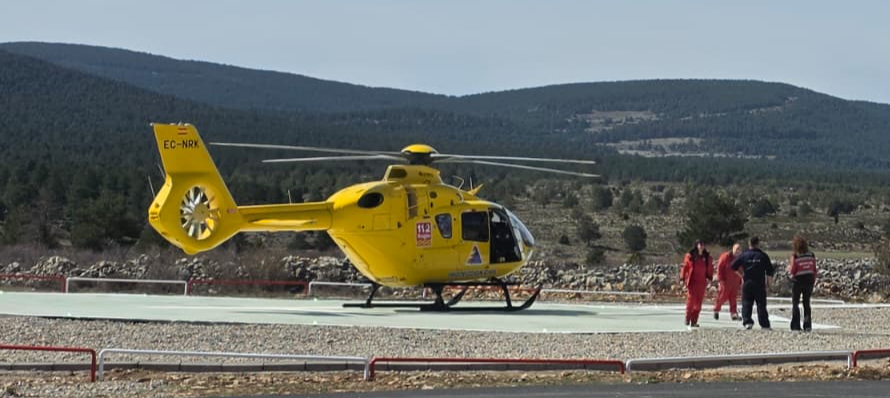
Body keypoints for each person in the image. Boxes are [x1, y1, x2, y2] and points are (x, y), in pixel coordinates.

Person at [731, 237, 775, 330]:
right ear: (758, 244)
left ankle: (747, 322)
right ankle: (764, 324)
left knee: (747, 302)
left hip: (747, 282)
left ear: (749, 244)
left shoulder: (744, 255)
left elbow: (733, 266)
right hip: (759, 283)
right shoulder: (763, 256)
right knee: (761, 304)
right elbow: (770, 272)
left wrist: (741, 275)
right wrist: (769, 285)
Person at [680, 240, 713, 328]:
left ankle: (694, 321)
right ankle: (687, 318)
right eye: (700, 244)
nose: (702, 246)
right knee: (691, 301)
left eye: (703, 245)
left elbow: (709, 269)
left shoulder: (707, 257)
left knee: (698, 304)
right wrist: (682, 278)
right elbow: (685, 267)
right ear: (696, 245)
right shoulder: (690, 255)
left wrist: (710, 278)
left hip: (702, 283)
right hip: (692, 282)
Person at [788, 235, 817, 331]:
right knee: (806, 303)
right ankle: (807, 324)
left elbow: (792, 270)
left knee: (795, 302)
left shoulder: (795, 256)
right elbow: (814, 269)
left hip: (798, 281)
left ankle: (796, 324)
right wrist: (813, 280)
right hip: (808, 280)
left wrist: (789, 273)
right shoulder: (811, 255)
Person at [713, 243, 743, 321]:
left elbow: (741, 269)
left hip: (735, 281)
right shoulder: (725, 256)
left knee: (733, 298)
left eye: (739, 250)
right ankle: (716, 309)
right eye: (736, 249)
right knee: (722, 297)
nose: (738, 251)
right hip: (726, 281)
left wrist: (741, 280)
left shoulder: (740, 258)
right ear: (733, 249)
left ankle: (733, 313)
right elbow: (720, 267)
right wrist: (720, 279)